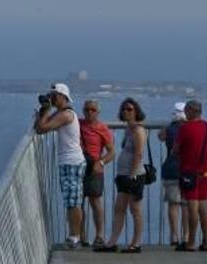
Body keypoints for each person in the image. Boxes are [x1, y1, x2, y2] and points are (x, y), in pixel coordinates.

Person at [34, 83, 86, 249]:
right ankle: (76, 235)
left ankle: (74, 237)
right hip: (68, 161)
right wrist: (44, 111)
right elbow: (40, 126)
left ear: (63, 97)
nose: (52, 98)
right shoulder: (61, 113)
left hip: (72, 162)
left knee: (73, 202)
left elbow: (41, 128)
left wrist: (45, 111)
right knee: (71, 200)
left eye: (54, 95)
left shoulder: (66, 115)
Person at [94, 97, 147, 253]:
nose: (126, 112)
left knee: (135, 209)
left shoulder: (138, 130)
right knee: (119, 208)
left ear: (136, 111)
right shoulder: (128, 129)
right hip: (123, 175)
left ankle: (136, 243)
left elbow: (138, 154)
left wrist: (132, 175)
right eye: (124, 109)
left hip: (134, 175)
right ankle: (112, 242)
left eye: (130, 109)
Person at [173, 100, 207, 252]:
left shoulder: (185, 128)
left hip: (190, 173)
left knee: (192, 207)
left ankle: (191, 242)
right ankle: (206, 241)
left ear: (190, 111)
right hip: (206, 173)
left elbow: (176, 150)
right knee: (203, 207)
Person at [78, 99, 115, 248]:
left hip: (94, 166)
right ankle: (81, 236)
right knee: (78, 203)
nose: (89, 112)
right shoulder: (77, 123)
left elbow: (112, 152)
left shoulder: (102, 129)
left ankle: (99, 235)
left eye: (93, 110)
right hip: (78, 166)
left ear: (98, 112)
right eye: (87, 109)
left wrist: (101, 162)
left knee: (95, 202)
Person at [158, 102, 189, 249]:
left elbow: (160, 136)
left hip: (171, 169)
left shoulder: (169, 129)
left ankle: (174, 236)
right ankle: (187, 235)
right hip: (188, 170)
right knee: (186, 205)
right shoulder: (190, 129)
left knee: (173, 204)